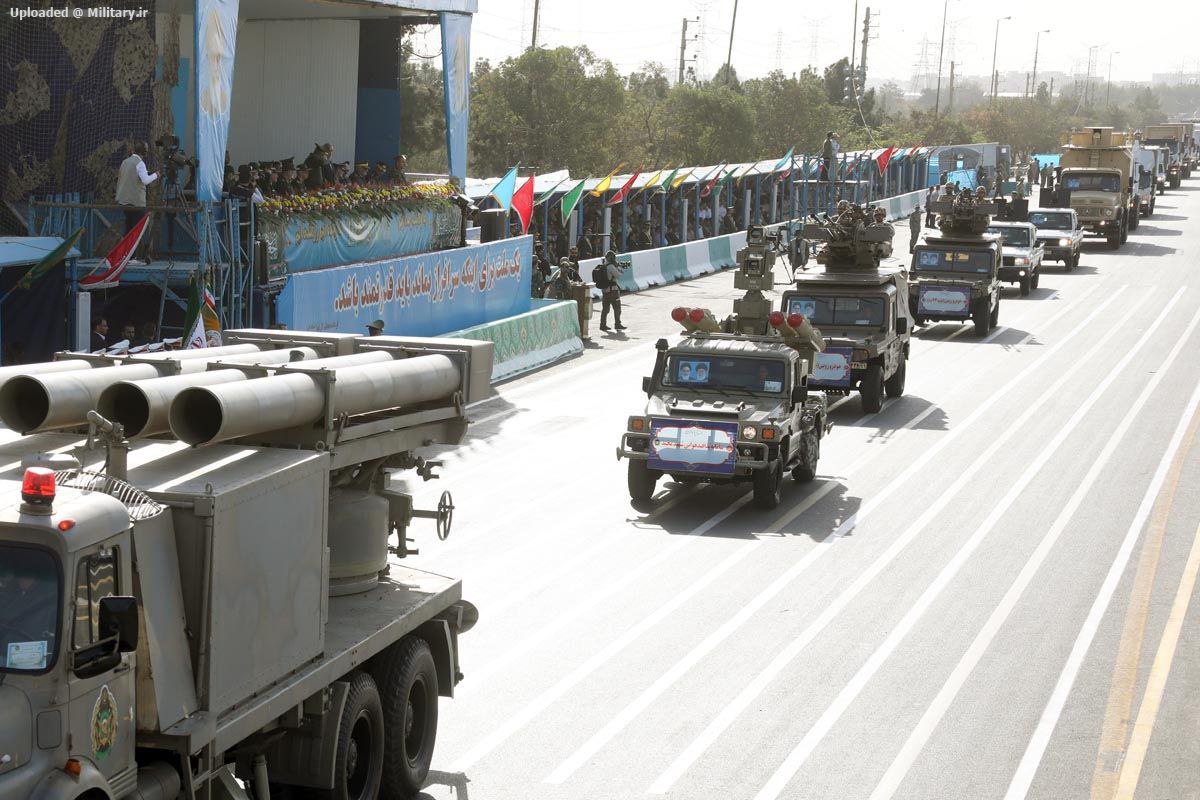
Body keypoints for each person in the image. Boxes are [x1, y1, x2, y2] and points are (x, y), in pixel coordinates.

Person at [116, 141, 158, 260]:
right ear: (144, 152)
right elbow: (145, 180)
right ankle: (132, 258)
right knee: (136, 232)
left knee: (129, 229)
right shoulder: (140, 163)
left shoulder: (125, 162)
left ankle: (126, 256)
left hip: (123, 201)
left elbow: (129, 177)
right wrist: (156, 175)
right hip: (136, 203)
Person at [597, 250, 627, 332]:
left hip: (605, 290)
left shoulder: (604, 266)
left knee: (605, 309)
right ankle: (617, 324)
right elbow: (618, 276)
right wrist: (619, 268)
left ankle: (602, 325)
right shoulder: (611, 266)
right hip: (613, 290)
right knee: (617, 308)